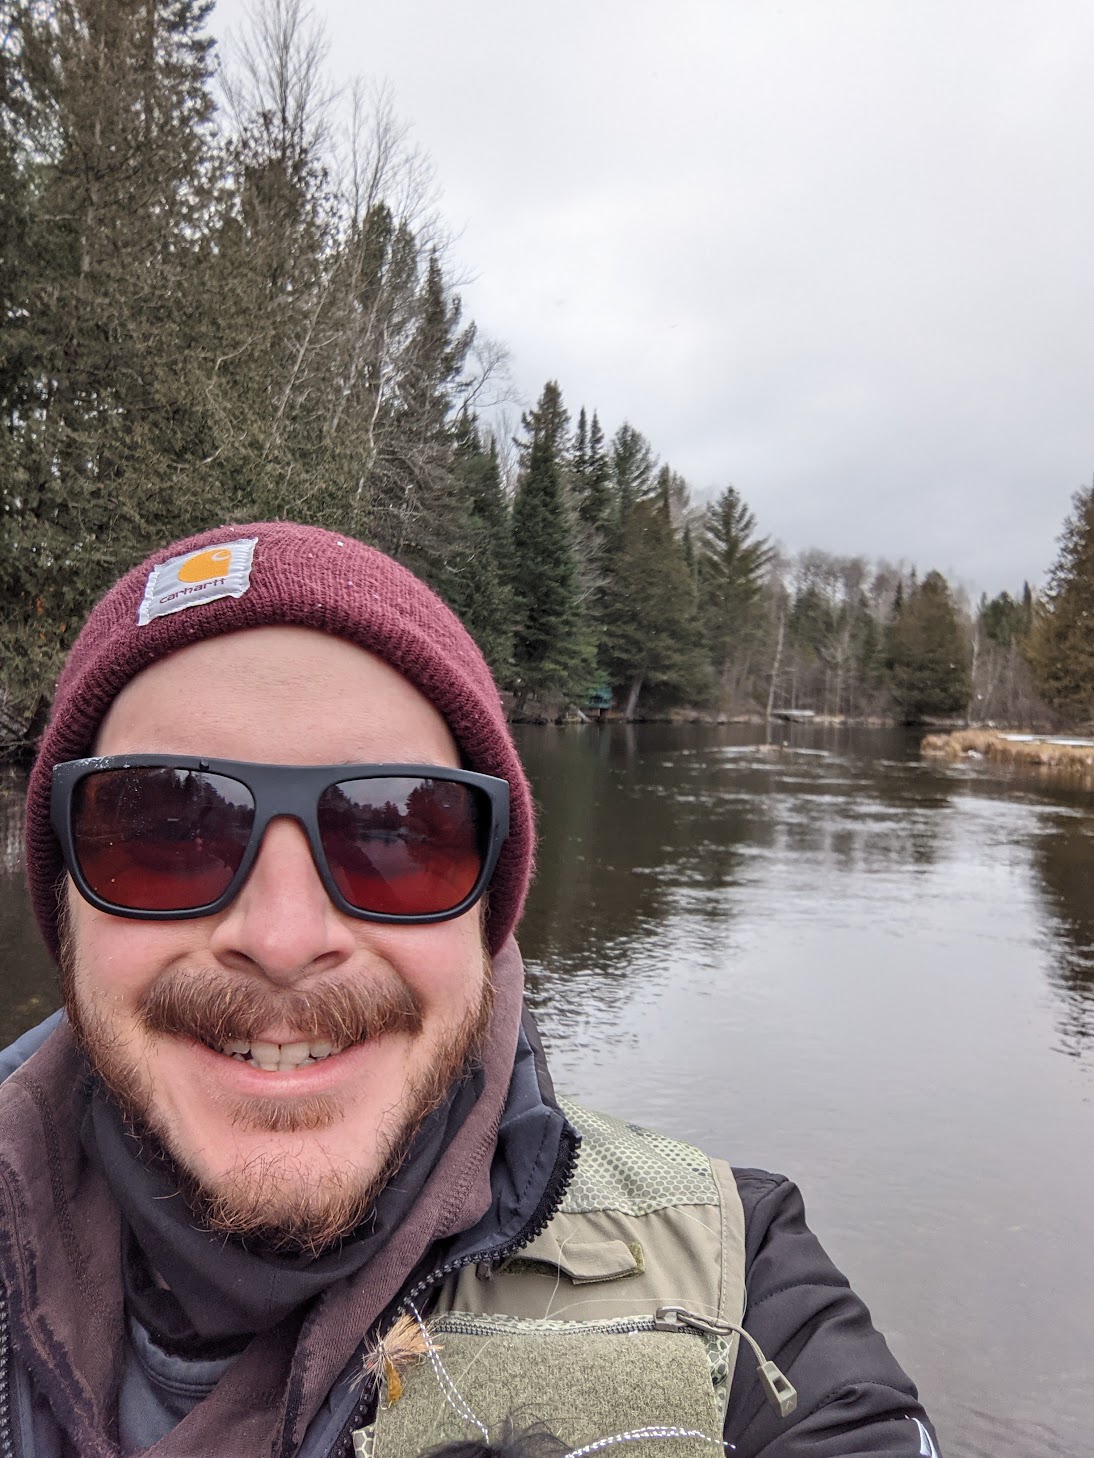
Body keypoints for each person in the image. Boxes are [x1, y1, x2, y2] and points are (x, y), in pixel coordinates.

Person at [1, 521, 942, 1458]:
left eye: (397, 837)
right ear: (63, 900)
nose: (283, 941)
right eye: (167, 829)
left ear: (486, 918)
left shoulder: (735, 1294)